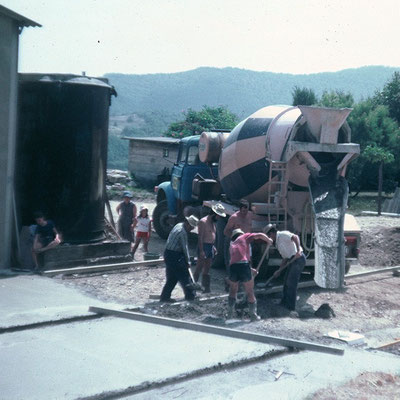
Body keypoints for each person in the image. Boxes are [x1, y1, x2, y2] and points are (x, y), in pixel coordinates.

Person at [227, 228, 273, 321]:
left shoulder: (232, 245)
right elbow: (259, 234)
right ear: (241, 234)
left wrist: (251, 269)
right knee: (250, 291)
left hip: (233, 267)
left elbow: (236, 261)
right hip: (243, 266)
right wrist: (268, 240)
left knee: (233, 291)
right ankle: (253, 315)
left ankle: (229, 314)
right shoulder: (244, 237)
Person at [265, 224, 306, 313]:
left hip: (298, 258)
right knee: (286, 281)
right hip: (291, 259)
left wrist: (298, 249)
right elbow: (285, 258)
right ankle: (284, 302)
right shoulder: (278, 243)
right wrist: (279, 270)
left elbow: (295, 237)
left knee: (291, 283)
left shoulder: (283, 234)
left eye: (268, 236)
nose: (269, 238)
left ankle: (290, 306)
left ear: (272, 233)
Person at [160, 215, 199, 302]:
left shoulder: (179, 225)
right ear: (188, 224)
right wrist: (188, 261)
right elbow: (184, 247)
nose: (191, 229)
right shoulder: (182, 232)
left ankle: (164, 297)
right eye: (191, 227)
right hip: (174, 255)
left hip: (168, 253)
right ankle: (190, 296)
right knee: (184, 276)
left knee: (172, 278)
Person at [194, 203, 226, 293]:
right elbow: (200, 237)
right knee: (199, 268)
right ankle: (193, 287)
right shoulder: (203, 222)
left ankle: (206, 288)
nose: (219, 218)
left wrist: (213, 247)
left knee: (207, 269)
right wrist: (201, 251)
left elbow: (212, 235)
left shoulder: (213, 223)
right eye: (218, 216)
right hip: (203, 246)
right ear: (214, 214)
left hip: (210, 246)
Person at [223, 199, 253, 287]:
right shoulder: (234, 218)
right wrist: (234, 238)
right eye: (243, 211)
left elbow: (259, 218)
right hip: (237, 244)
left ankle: (245, 282)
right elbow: (225, 231)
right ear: (240, 209)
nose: (245, 213)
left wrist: (271, 218)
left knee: (248, 262)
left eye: (246, 210)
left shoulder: (250, 215)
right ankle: (229, 282)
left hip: (247, 243)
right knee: (234, 263)